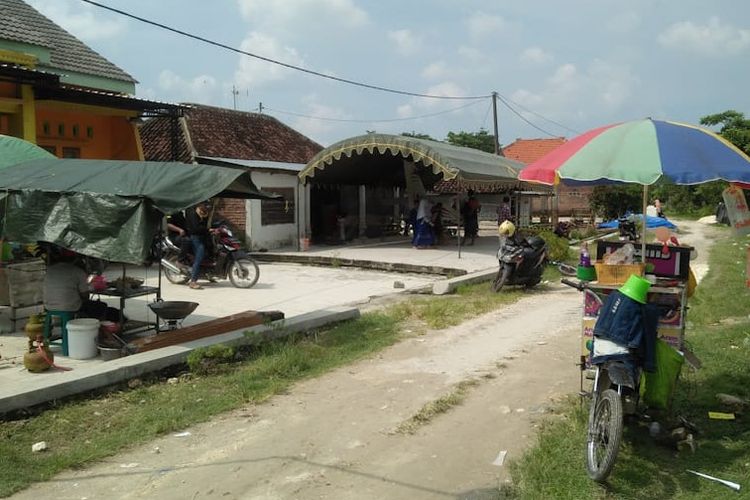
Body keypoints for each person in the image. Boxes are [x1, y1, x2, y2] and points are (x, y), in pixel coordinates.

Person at [43, 249, 89, 315]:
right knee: (100, 306)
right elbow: (85, 295)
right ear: (75, 259)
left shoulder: (50, 270)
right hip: (70, 308)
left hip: (48, 307)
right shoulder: (78, 271)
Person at [184, 201, 214, 289]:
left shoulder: (205, 214)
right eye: (205, 205)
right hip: (195, 237)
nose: (206, 207)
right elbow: (196, 228)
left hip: (203, 236)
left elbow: (207, 225)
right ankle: (193, 281)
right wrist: (208, 230)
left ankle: (208, 274)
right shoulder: (193, 214)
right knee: (199, 256)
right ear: (199, 205)